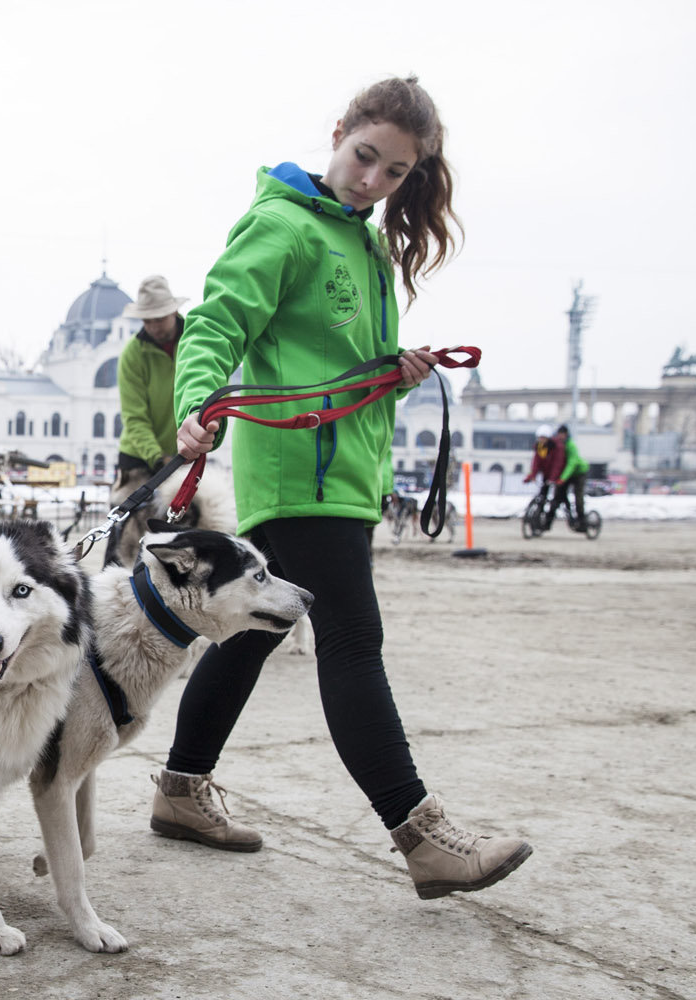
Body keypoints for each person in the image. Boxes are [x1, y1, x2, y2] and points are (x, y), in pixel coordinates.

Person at [155, 76, 531, 899]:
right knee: (353, 641)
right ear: (338, 133)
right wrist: (194, 405)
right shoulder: (281, 223)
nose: (372, 181)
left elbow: (326, 364)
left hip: (347, 475)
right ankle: (422, 835)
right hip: (301, 475)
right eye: (365, 157)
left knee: (252, 635)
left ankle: (181, 791)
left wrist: (391, 375)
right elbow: (217, 322)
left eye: (395, 172)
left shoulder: (366, 244)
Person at [115, 275, 188, 487]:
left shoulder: (195, 342)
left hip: (186, 454)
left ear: (173, 311)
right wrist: (157, 458)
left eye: (159, 319)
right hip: (139, 458)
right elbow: (134, 417)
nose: (154, 327)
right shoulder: (132, 354)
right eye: (147, 321)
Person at [551, 424, 590, 531]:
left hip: (578, 473)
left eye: (562, 434)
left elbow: (571, 464)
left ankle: (582, 521)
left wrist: (562, 478)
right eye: (559, 434)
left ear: (566, 434)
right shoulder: (557, 446)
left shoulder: (571, 445)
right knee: (559, 495)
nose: (560, 436)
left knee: (578, 497)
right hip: (566, 474)